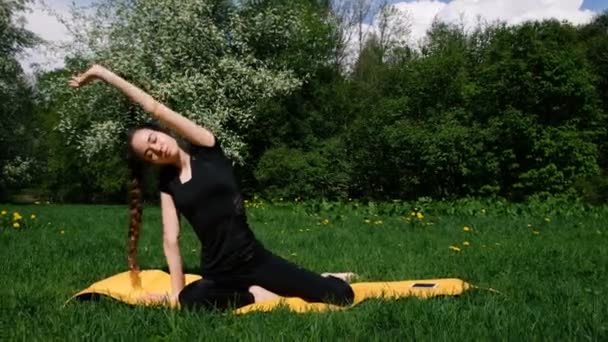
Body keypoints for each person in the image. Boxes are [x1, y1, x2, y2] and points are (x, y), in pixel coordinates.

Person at [68, 65, 355, 310]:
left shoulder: (207, 148)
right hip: (219, 273)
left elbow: (153, 106)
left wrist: (102, 74)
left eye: (153, 140)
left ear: (160, 131)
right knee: (191, 301)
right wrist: (176, 294)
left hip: (253, 259)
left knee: (341, 296)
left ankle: (325, 278)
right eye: (148, 154)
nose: (156, 149)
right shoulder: (168, 185)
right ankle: (254, 295)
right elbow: (171, 239)